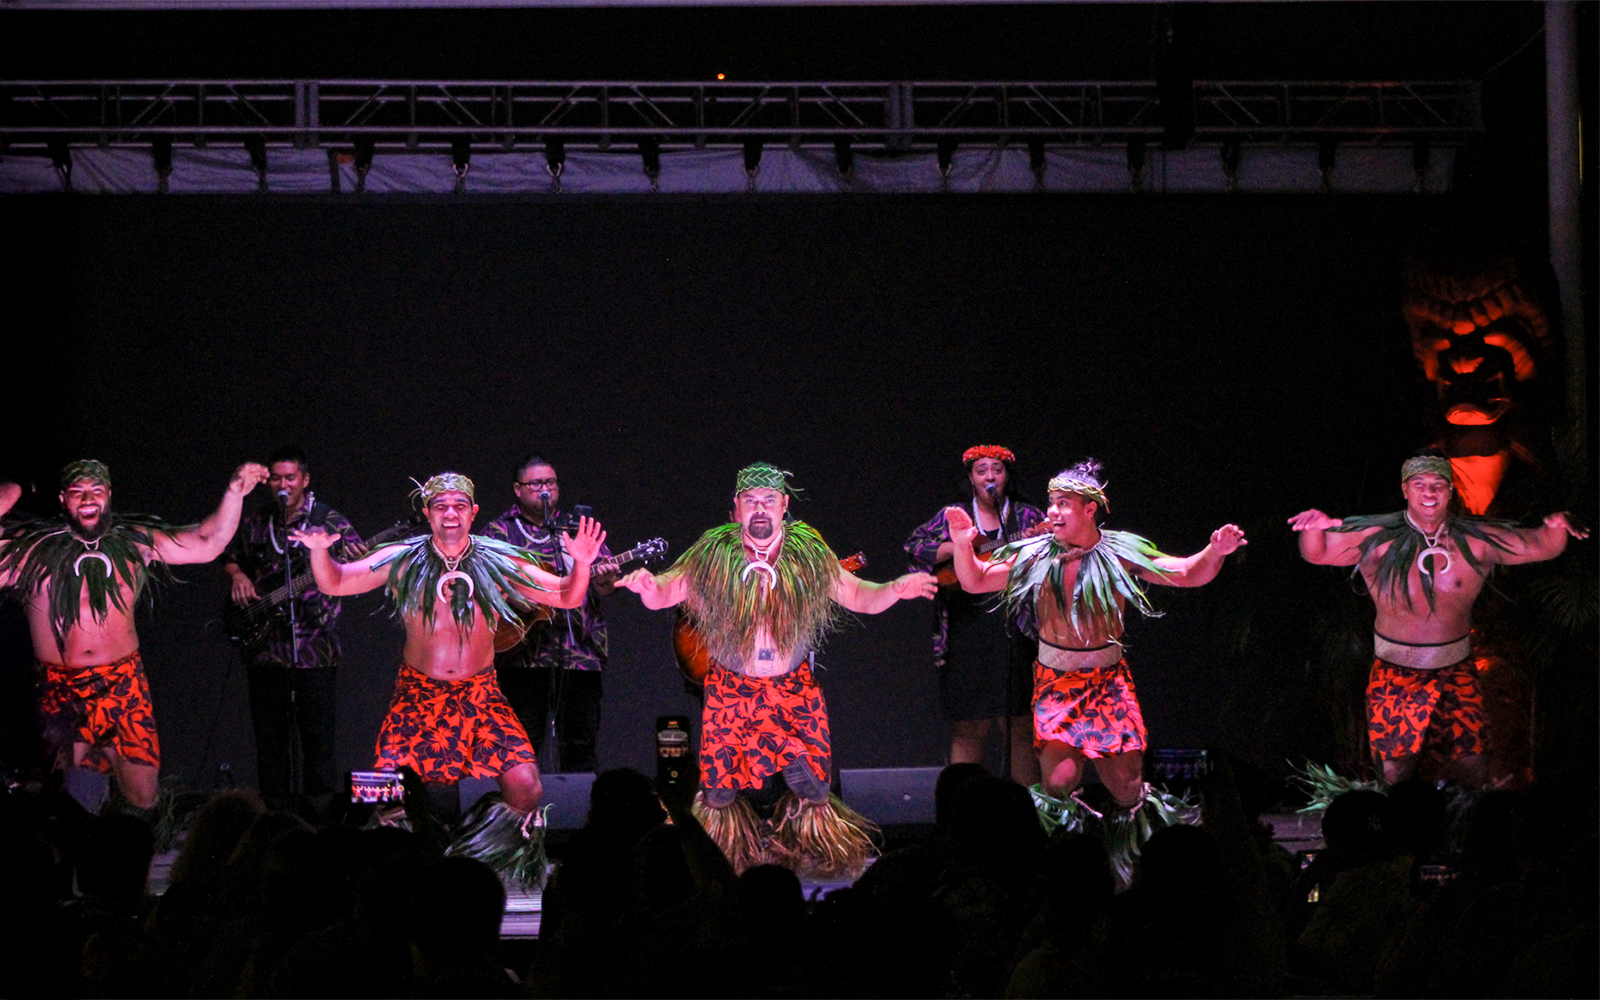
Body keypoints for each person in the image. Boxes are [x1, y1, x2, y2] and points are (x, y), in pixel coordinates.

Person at [616, 462, 937, 876]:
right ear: (736, 508)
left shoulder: (808, 553)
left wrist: (894, 589)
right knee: (718, 793)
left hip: (792, 688)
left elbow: (859, 595)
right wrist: (648, 587)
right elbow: (666, 590)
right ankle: (724, 861)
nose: (760, 509)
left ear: (784, 505)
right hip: (733, 688)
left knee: (812, 786)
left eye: (769, 500)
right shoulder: (715, 551)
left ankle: (807, 854)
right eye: (751, 502)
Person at [291, 472, 605, 878]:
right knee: (387, 793)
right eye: (440, 507)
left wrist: (581, 562)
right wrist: (319, 552)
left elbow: (568, 595)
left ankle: (472, 862)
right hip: (418, 695)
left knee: (527, 786)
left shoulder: (500, 560)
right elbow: (335, 583)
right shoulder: (403, 558)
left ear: (473, 513)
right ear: (427, 513)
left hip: (480, 695)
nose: (450, 514)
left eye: (459, 506)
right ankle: (410, 866)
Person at [946, 458, 1243, 859]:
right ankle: (1064, 864)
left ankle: (1128, 864)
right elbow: (975, 578)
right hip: (1057, 684)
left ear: (1090, 510)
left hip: (1108, 684)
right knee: (1058, 784)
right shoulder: (1036, 554)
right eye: (1052, 503)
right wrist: (963, 544)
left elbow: (1188, 572)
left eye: (1063, 503)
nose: (1052, 511)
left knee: (1126, 786)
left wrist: (1215, 550)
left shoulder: (1119, 552)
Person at [1289, 453, 1586, 788]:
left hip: (1456, 670)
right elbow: (1317, 552)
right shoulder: (1377, 538)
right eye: (1419, 485)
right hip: (1396, 674)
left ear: (1450, 491)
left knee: (1472, 766)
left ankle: (1461, 833)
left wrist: (1556, 528)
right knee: (1396, 773)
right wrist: (1313, 529)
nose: (1429, 493)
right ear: (1405, 490)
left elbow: (1538, 545)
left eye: (1437, 485)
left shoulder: (1477, 540)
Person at [0, 459, 269, 811]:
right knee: (63, 798)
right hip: (60, 690)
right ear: (64, 499)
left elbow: (207, 542)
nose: (88, 500)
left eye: (96, 491)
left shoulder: (134, 544)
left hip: (120, 684)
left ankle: (131, 851)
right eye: (78, 493)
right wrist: (15, 487)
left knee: (142, 793)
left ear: (109, 496)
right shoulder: (32, 551)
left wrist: (235, 492)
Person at [222, 446, 366, 807]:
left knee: (317, 735)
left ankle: (318, 813)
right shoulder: (258, 522)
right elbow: (229, 555)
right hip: (267, 648)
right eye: (276, 478)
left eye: (290, 477)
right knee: (270, 736)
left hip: (315, 646)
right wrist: (237, 575)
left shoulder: (328, 521)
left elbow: (360, 559)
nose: (282, 484)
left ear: (304, 480)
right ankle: (275, 811)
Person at [905, 444, 1045, 784]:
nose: (989, 477)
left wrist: (1040, 541)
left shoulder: (1027, 517)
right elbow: (915, 546)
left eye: (996, 470)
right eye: (981, 470)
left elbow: (1052, 558)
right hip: (967, 627)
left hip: (1016, 627)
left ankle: (1025, 810)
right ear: (970, 478)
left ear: (1006, 477)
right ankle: (964, 808)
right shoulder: (955, 514)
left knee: (1021, 726)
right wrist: (960, 545)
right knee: (968, 726)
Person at [479, 455, 615, 773]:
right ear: (518, 489)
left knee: (580, 745)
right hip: (521, 654)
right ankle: (522, 819)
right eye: (536, 483)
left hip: (579, 653)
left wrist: (606, 579)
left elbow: (605, 586)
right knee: (522, 744)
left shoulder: (578, 529)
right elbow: (484, 584)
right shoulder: (499, 531)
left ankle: (581, 819)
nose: (545, 490)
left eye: (550, 483)